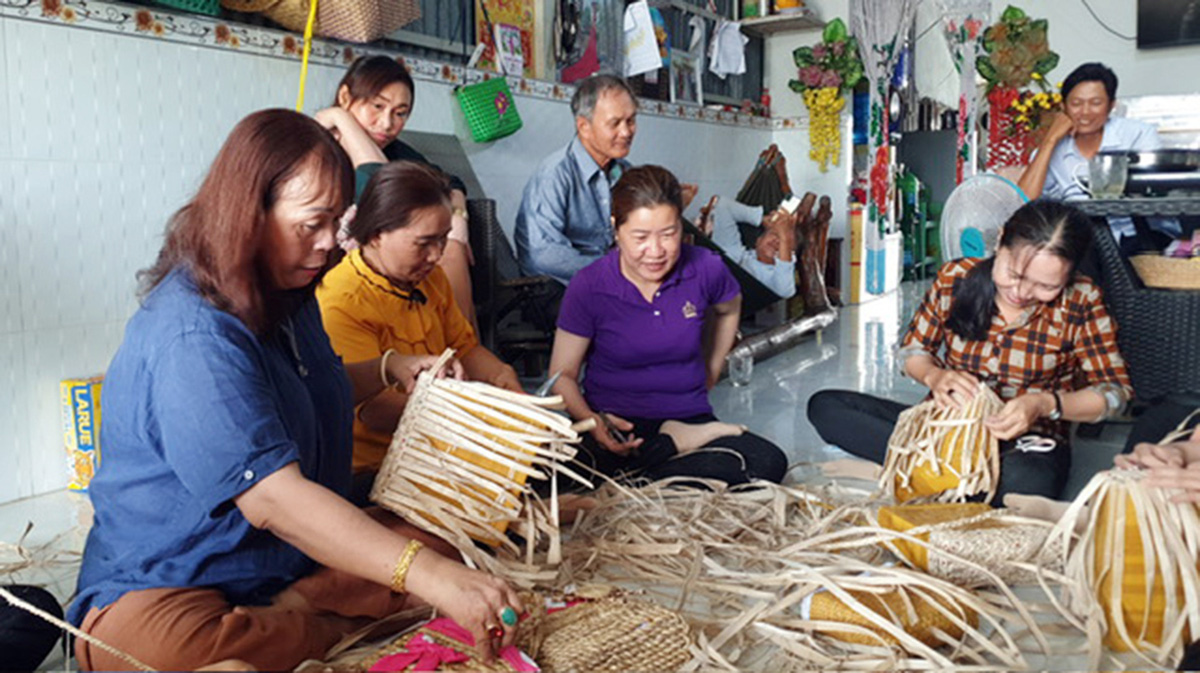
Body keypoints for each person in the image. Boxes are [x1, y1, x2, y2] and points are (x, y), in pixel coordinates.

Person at [68, 110, 521, 671]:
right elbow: (273, 500)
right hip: (175, 579)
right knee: (174, 648)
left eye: (337, 222)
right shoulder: (194, 333)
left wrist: (387, 365)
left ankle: (300, 615)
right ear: (247, 216)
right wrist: (429, 578)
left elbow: (307, 386)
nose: (331, 243)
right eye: (312, 224)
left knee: (450, 543)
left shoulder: (286, 293)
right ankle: (318, 620)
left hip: (283, 559)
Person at [808, 200, 1133, 502]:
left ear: (1069, 274)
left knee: (1029, 481)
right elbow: (912, 351)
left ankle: (924, 474)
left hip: (1020, 443)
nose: (1021, 292)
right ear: (1001, 240)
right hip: (942, 431)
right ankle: (956, 479)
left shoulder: (1082, 298)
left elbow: (1114, 394)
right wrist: (935, 376)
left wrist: (1044, 404)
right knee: (826, 407)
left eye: (1046, 286)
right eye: (1014, 274)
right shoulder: (955, 277)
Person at [549, 165, 788, 486]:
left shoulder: (705, 268)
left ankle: (652, 464)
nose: (656, 251)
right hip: (613, 423)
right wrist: (591, 421)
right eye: (641, 237)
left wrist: (712, 368)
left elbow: (729, 308)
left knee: (766, 463)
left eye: (669, 233)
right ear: (615, 229)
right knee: (544, 478)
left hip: (690, 420)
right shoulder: (589, 285)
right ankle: (663, 463)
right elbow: (561, 376)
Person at [316, 161, 523, 504]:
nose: (437, 255)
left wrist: (502, 377)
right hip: (377, 472)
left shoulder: (430, 280)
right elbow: (374, 410)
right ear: (377, 233)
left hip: (440, 449)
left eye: (443, 240)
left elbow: (465, 348)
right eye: (424, 243)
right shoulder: (342, 300)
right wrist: (475, 412)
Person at [315, 55, 477, 327]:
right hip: (340, 264)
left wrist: (459, 218)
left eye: (400, 113)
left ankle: (462, 350)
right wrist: (341, 120)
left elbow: (449, 182)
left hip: (398, 264)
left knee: (450, 247)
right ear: (345, 96)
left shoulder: (396, 152)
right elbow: (380, 187)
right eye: (377, 106)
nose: (387, 123)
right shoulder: (318, 146)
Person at [1018, 62, 1180, 250]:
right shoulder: (1051, 150)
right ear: (1063, 107)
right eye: (1076, 103)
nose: (1085, 112)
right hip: (1080, 243)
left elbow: (1155, 192)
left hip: (1141, 237)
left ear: (1111, 105)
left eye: (1096, 103)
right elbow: (1022, 202)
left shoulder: (1138, 134)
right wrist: (1050, 139)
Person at [514, 75, 639, 286]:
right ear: (584, 127)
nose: (626, 132)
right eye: (615, 123)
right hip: (556, 288)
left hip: (612, 280)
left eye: (631, 121)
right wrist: (615, 273)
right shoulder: (555, 173)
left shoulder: (626, 173)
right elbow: (545, 255)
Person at [696, 195, 799, 299]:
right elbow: (723, 206)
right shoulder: (734, 250)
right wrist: (761, 219)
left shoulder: (774, 279)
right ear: (758, 241)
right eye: (775, 234)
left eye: (784, 243)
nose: (777, 241)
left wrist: (784, 237)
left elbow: (784, 291)